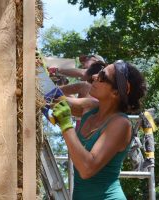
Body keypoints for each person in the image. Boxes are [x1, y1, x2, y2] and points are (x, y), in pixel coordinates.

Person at [52, 60, 147, 200]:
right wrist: (38, 69)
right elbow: (52, 98)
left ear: (116, 91)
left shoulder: (121, 124)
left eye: (103, 75)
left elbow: (86, 168)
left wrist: (66, 125)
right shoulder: (90, 107)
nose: (95, 76)